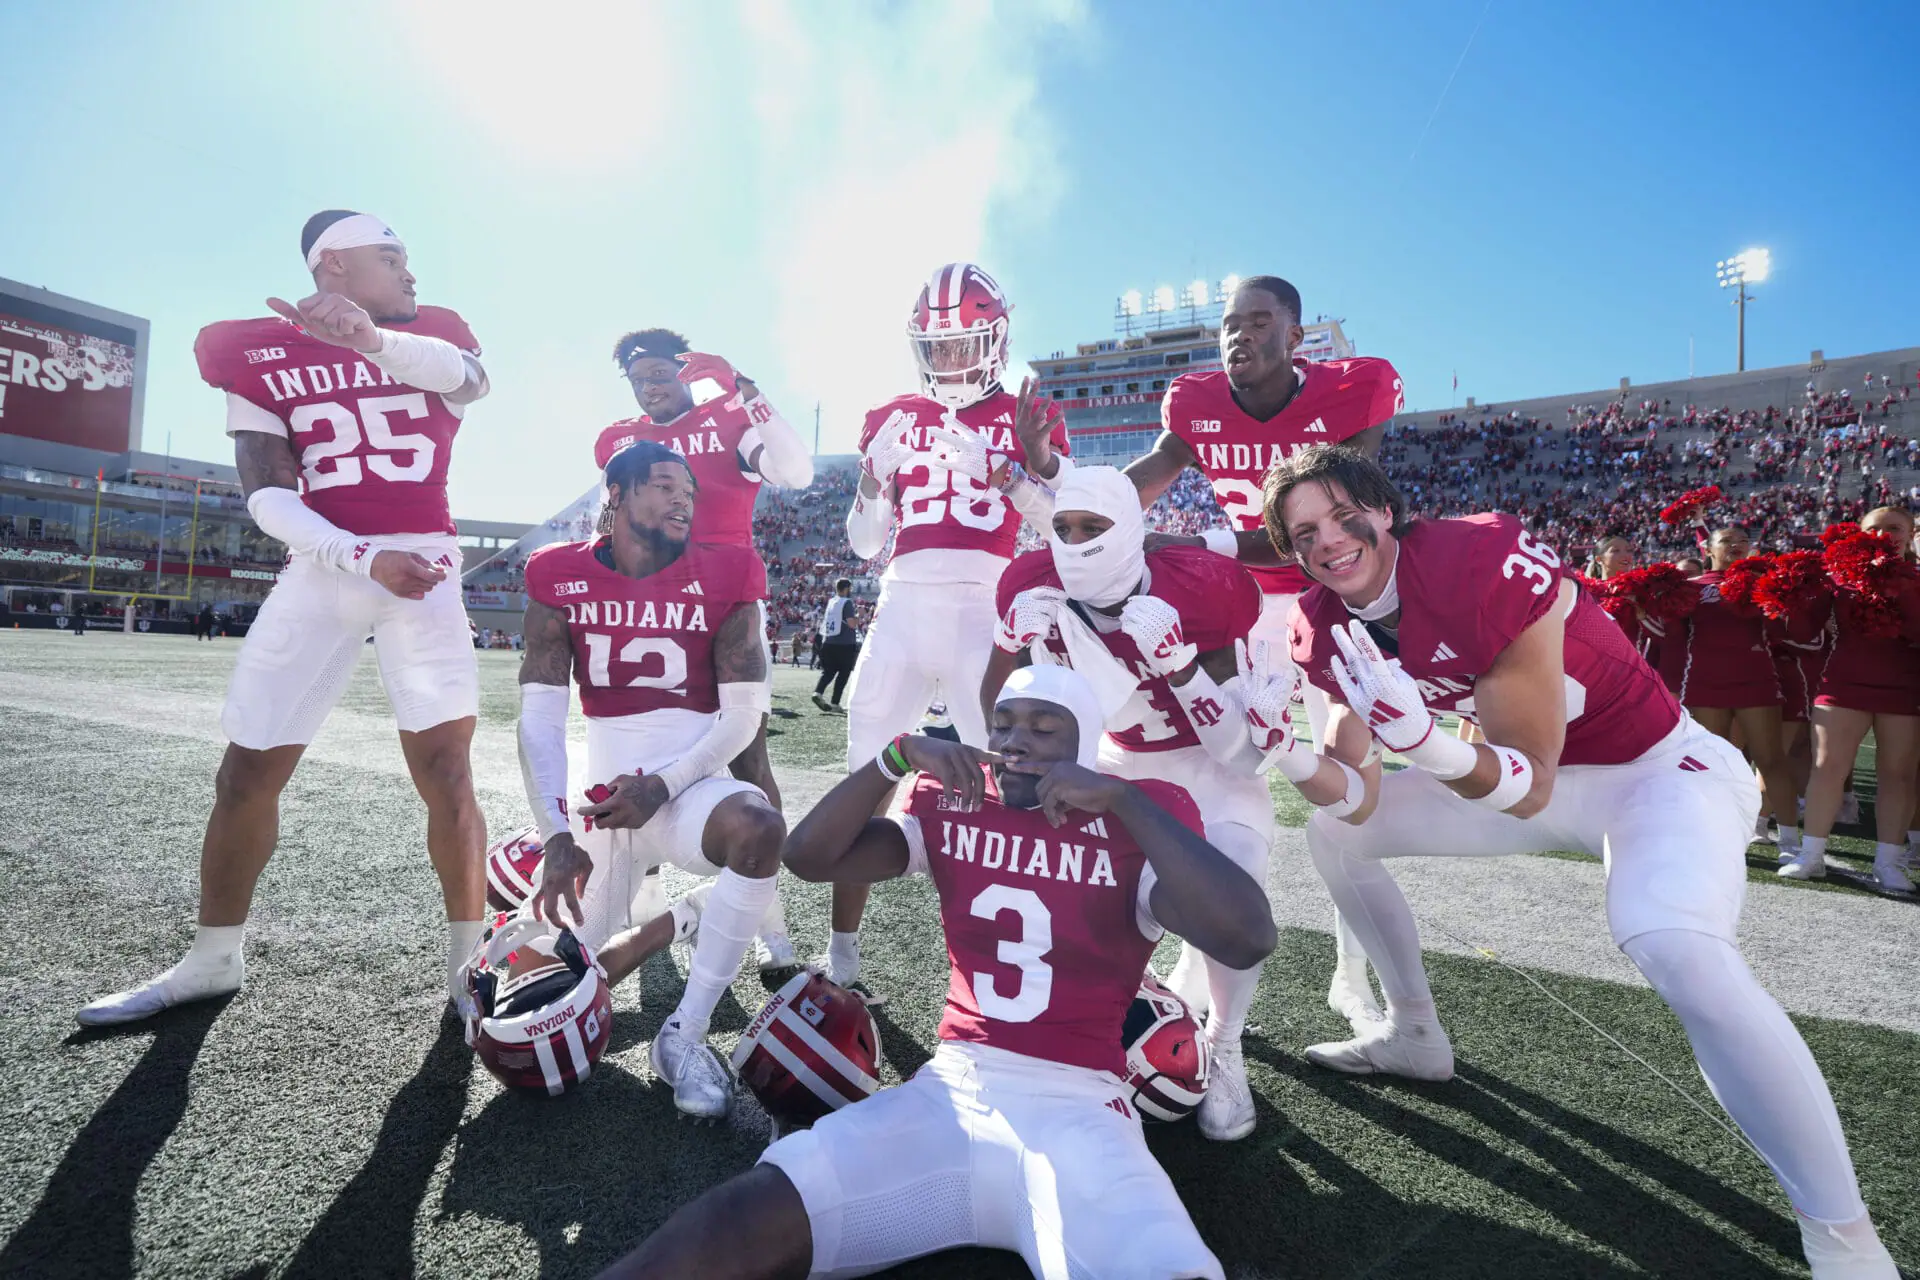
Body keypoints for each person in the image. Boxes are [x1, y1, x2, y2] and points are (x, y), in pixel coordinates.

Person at [1266, 445, 1897, 1280]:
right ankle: (1413, 1032)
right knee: (1334, 838)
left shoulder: (1473, 560)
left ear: (1386, 510)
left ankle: (1844, 1235)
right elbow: (1356, 800)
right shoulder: (1323, 622)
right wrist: (1282, 749)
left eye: (1343, 514)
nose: (1329, 539)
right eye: (1304, 530)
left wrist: (1425, 742)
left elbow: (1528, 785)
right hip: (1523, 781)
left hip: (1655, 773)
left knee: (1670, 942)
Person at [600, 664, 1274, 1279]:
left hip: (1081, 1107)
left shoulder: (1136, 815)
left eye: (1046, 728)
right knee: (737, 1219)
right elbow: (809, 856)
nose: (1018, 742)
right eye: (1006, 724)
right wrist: (894, 757)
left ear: (1086, 741)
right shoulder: (957, 801)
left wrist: (1125, 801)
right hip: (950, 1093)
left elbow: (1248, 937)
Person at [79, 210, 493, 1027]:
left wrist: (371, 339)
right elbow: (266, 492)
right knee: (244, 772)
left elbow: (470, 380)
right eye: (391, 256)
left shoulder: (430, 329)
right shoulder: (251, 352)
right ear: (333, 265)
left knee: (447, 774)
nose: (411, 273)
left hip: (426, 558)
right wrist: (357, 555)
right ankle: (213, 957)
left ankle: (468, 971)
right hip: (327, 562)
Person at [1124, 274, 1404, 1030]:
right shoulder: (1194, 401)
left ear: (1297, 335)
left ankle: (1354, 978)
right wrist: (1084, 503)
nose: (1237, 336)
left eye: (1257, 321)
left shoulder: (1357, 389)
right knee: (1218, 772)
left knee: (1347, 799)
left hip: (1333, 596)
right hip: (1245, 608)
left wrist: (1191, 541)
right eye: (1228, 324)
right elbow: (1148, 475)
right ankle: (1193, 957)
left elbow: (1320, 522)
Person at [980, 465, 1274, 1140]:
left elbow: (1238, 752)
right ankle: (1073, 1024)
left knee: (1234, 879)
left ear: (1132, 531)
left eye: (1094, 528)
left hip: (1208, 763)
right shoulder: (1029, 585)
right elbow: (999, 723)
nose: (1076, 543)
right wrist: (1007, 645)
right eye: (1064, 528)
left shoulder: (1202, 587)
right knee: (1066, 880)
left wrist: (1179, 664)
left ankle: (1225, 1045)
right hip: (1117, 758)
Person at [517, 440, 786, 1119]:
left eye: (690, 494)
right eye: (665, 486)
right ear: (615, 492)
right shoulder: (556, 572)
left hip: (690, 786)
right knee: (553, 980)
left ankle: (684, 1036)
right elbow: (539, 721)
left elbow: (746, 713)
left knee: (759, 829)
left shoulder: (728, 569)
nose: (682, 501)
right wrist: (555, 834)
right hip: (606, 804)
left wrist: (663, 786)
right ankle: (684, 915)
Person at [822, 262, 1070, 989]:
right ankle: (840, 952)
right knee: (863, 768)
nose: (952, 359)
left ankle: (1018, 950)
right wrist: (872, 477)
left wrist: (1012, 475)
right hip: (901, 603)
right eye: (940, 346)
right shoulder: (891, 415)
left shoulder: (1029, 411)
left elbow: (1068, 525)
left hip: (984, 607)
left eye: (965, 343)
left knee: (1010, 773)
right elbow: (865, 544)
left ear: (994, 341)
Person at [592, 327, 811, 969]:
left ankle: (772, 931)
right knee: (636, 746)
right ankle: (644, 897)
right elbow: (611, 523)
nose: (651, 385)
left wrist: (745, 386)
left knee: (748, 757)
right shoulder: (616, 440)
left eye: (660, 372)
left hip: (725, 602)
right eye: (639, 379)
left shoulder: (726, 412)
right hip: (649, 605)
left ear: (685, 371)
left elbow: (795, 472)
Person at [1778, 506, 1920, 891]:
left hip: (1904, 687)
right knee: (1827, 769)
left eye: (1895, 528)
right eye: (1876, 529)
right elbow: (1803, 631)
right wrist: (1797, 596)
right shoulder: (1837, 577)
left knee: (1899, 774)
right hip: (1842, 684)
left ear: (1910, 533)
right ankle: (1811, 855)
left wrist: (1900, 584)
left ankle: (1888, 863)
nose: (1886, 535)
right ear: (1859, 533)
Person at [1664, 527, 1799, 850]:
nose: (1736, 545)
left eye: (1742, 540)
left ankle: (1793, 843)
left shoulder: (1765, 584)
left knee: (1771, 760)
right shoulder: (1691, 589)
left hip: (1757, 682)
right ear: (1708, 550)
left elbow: (1785, 634)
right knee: (1710, 762)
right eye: (1726, 541)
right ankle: (1710, 833)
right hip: (1705, 684)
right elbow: (1674, 642)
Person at [811, 577, 860, 712]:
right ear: (846, 588)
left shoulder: (832, 601)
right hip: (844, 644)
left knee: (828, 672)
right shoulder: (847, 602)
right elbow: (851, 623)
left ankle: (818, 692)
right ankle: (835, 703)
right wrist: (859, 615)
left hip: (828, 642)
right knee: (843, 674)